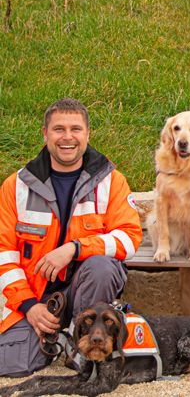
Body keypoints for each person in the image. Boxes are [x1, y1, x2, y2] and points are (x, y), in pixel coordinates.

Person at [0, 98, 142, 377]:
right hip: (37, 297)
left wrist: (75, 248)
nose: (67, 137)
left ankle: (86, 350)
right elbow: (3, 252)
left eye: (76, 129)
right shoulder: (15, 186)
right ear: (45, 134)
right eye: (58, 129)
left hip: (87, 295)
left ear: (87, 134)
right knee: (17, 365)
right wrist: (29, 306)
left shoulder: (111, 181)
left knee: (101, 265)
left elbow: (129, 239)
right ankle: (57, 339)